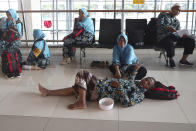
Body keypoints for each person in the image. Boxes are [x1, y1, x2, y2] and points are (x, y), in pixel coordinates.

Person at [38, 64, 155, 109]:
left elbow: (127, 103)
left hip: (99, 93)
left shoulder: (140, 95)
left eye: (148, 83)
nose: (146, 81)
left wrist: (119, 87)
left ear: (148, 88)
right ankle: (48, 92)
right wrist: (135, 69)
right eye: (147, 79)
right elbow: (130, 80)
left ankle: (82, 102)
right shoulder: (135, 83)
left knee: (82, 74)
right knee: (78, 88)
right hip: (100, 84)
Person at [157, 4, 195, 68]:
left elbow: (178, 31)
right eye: (177, 10)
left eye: (180, 11)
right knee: (169, 41)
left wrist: (183, 35)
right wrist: (168, 28)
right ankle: (171, 59)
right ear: (172, 9)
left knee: (190, 40)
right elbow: (159, 25)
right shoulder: (163, 15)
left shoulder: (177, 21)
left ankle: (183, 60)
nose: (178, 12)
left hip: (174, 36)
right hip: (163, 36)